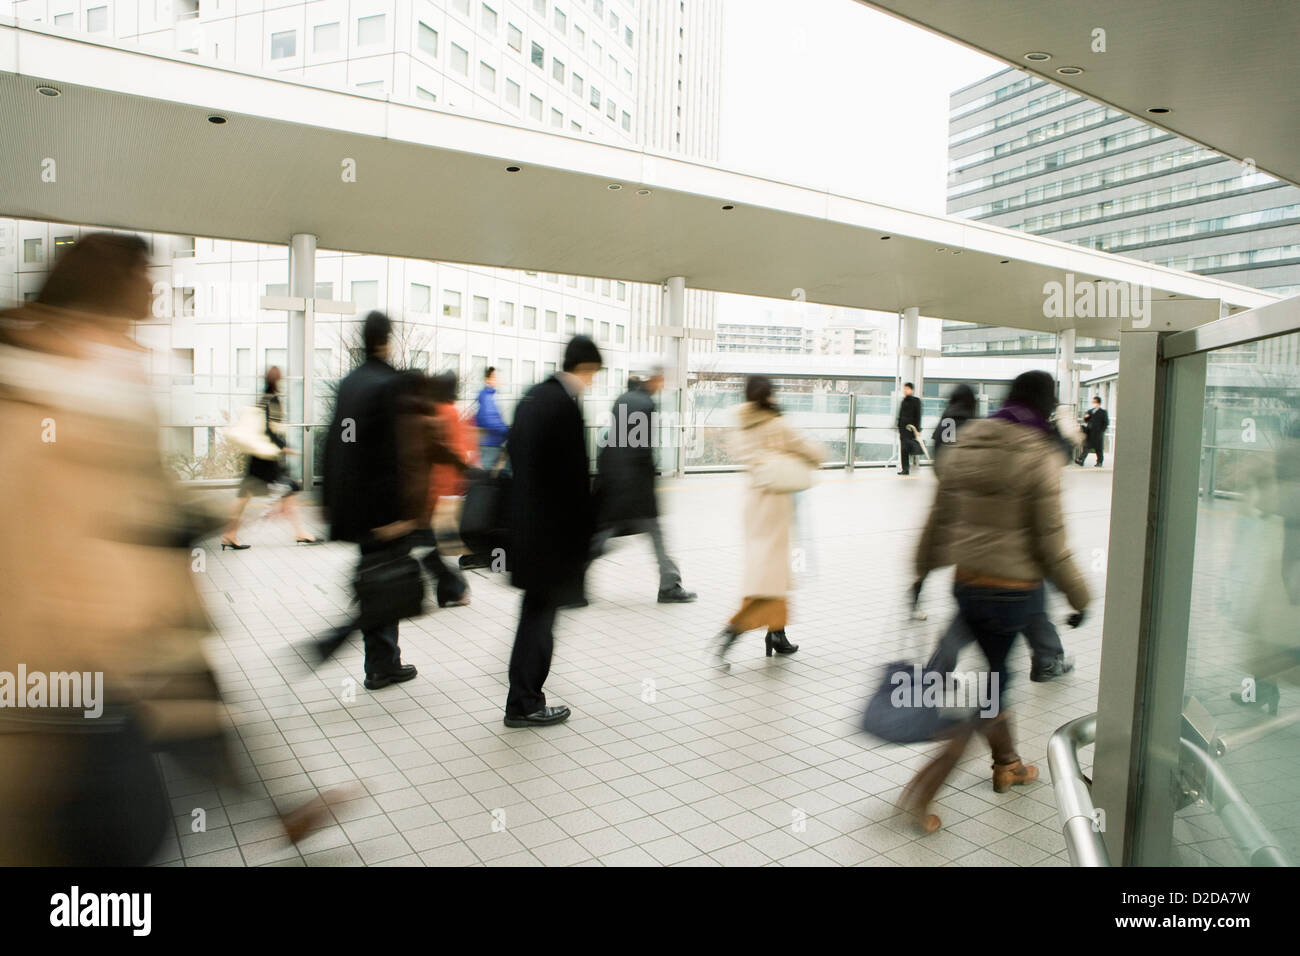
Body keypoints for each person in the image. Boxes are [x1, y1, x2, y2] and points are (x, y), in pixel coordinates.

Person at [0, 233, 333, 863]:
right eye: (143, 274)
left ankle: (282, 804)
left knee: (175, 754)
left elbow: (128, 498)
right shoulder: (67, 373)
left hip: (119, 637)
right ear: (108, 282)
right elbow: (65, 520)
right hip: (79, 651)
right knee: (119, 821)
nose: (154, 287)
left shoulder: (83, 362)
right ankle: (282, 805)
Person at [905, 370, 1091, 833]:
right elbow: (1051, 541)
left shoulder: (969, 440)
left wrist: (921, 571)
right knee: (991, 692)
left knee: (994, 677)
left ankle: (1007, 763)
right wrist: (1079, 595)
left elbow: (938, 518)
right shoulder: (1037, 453)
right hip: (1014, 593)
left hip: (968, 584)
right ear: (1045, 405)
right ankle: (922, 791)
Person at [502, 336, 603, 727]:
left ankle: (522, 697)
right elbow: (573, 481)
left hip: (526, 529)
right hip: (549, 538)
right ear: (586, 369)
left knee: (534, 615)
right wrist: (584, 535)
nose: (591, 383)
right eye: (592, 375)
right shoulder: (563, 406)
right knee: (540, 621)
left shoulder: (531, 397)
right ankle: (525, 703)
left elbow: (516, 456)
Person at [321, 310, 418, 691]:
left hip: (354, 503)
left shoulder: (348, 383)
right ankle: (381, 664)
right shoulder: (388, 384)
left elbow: (336, 442)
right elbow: (394, 456)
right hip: (382, 507)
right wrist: (399, 513)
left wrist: (331, 500)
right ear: (386, 340)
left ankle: (381, 661)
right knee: (385, 579)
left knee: (375, 575)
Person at [714, 375, 825, 666]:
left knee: (771, 573)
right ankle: (732, 632)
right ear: (769, 395)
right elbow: (811, 451)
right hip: (776, 504)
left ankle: (777, 633)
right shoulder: (776, 424)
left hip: (754, 504)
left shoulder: (741, 425)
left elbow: (741, 453)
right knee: (769, 580)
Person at [591, 366, 696, 604]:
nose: (662, 385)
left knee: (602, 535)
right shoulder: (645, 405)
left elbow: (617, 441)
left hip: (615, 480)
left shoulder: (622, 400)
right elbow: (641, 448)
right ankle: (669, 586)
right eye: (661, 380)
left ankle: (572, 582)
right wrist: (649, 479)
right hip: (634, 486)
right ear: (654, 380)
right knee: (653, 534)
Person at [221, 365, 319, 549]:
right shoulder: (274, 401)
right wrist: (285, 448)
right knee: (288, 489)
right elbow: (270, 430)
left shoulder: (261, 400)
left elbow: (258, 429)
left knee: (244, 496)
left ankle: (229, 534)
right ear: (278, 380)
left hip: (256, 455)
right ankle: (301, 533)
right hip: (267, 457)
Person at [930, 383, 976, 467]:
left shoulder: (944, 421)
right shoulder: (975, 424)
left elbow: (936, 449)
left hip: (945, 472)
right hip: (969, 472)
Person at [475, 366, 510, 472]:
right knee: (487, 475)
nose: (498, 380)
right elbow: (489, 419)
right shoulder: (487, 397)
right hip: (490, 444)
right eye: (494, 377)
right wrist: (507, 432)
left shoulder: (490, 395)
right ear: (487, 380)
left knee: (490, 475)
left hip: (492, 443)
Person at [897, 381, 923, 475]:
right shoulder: (903, 401)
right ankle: (905, 468)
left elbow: (918, 416)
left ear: (911, 390)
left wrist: (918, 429)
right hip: (903, 430)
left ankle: (907, 468)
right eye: (904, 389)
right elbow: (900, 415)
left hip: (911, 429)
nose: (905, 390)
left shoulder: (916, 401)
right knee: (903, 449)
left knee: (906, 448)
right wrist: (899, 426)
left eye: (907, 389)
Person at [1077, 395, 1109, 466]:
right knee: (1087, 447)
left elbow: (1106, 422)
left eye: (1094, 401)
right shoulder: (1090, 411)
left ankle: (1099, 462)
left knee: (1098, 448)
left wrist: (1101, 431)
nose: (1093, 403)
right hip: (1090, 432)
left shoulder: (1103, 412)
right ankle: (1081, 459)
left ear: (1098, 402)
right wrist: (1086, 417)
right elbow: (1085, 420)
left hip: (1098, 433)